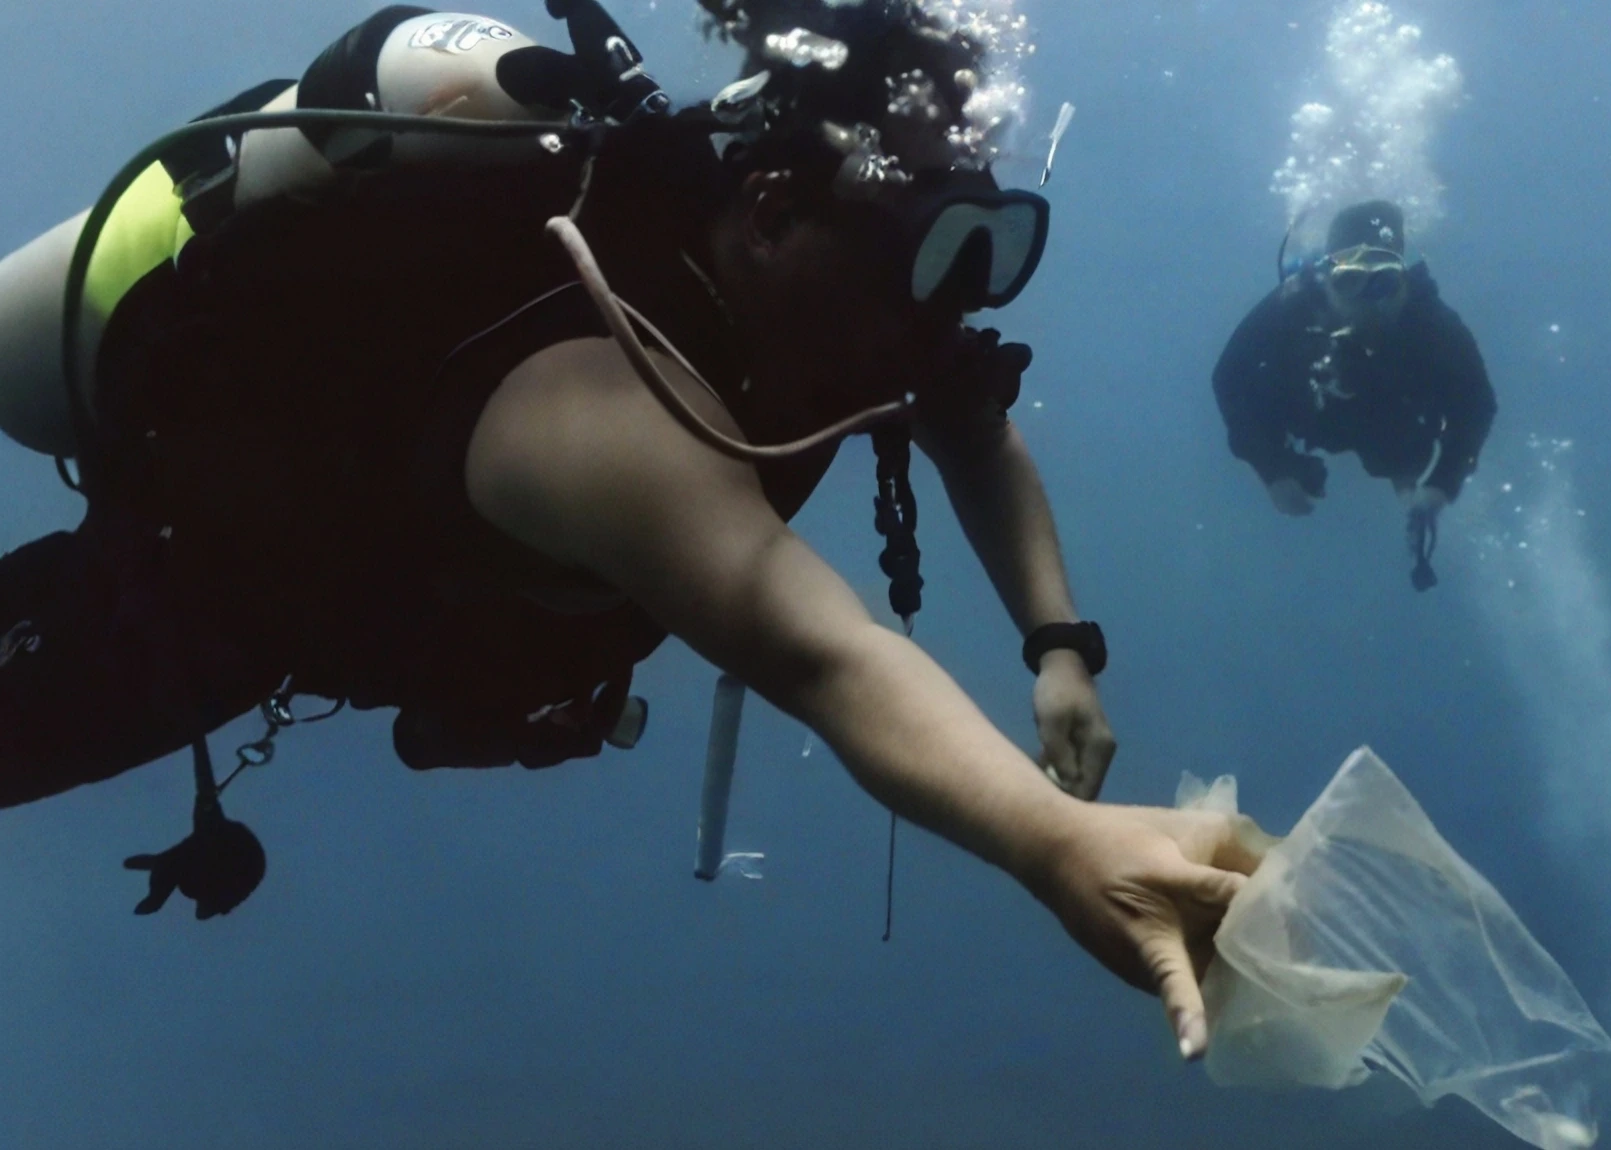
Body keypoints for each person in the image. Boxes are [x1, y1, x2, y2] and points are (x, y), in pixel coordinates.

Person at [0, 0, 1265, 1059]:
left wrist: (1057, 646)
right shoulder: (597, 403)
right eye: (931, 253)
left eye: (986, 250)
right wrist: (1053, 842)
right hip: (200, 594)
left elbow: (974, 434)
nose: (949, 310)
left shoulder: (854, 305)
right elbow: (816, 648)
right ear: (768, 215)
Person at [1211, 200, 1496, 591]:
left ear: (1403, 279)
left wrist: (1443, 481)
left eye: (1382, 283)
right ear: (1326, 277)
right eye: (1349, 282)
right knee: (1269, 390)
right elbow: (1229, 377)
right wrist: (1271, 468)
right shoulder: (1297, 299)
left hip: (1390, 417)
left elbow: (1477, 403)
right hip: (1310, 410)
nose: (1367, 303)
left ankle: (1405, 479)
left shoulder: (1430, 320)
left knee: (1406, 461)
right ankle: (1389, 475)